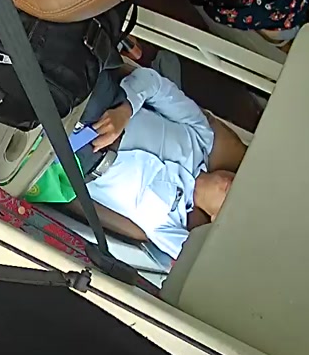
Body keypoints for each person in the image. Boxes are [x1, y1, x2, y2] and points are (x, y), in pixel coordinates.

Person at [79, 65, 245, 259]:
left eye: (236, 202)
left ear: (217, 220)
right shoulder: (202, 134)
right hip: (103, 105)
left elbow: (199, 262)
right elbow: (151, 81)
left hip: (84, 160)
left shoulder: (170, 228)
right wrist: (125, 110)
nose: (235, 187)